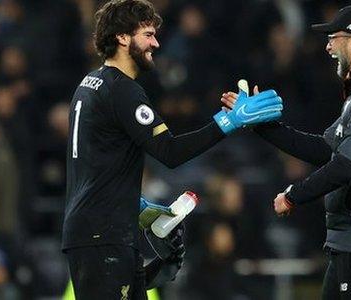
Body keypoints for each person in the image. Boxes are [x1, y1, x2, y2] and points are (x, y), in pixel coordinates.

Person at [62, 0, 283, 299]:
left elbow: (96, 162)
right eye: (148, 34)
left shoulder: (88, 84)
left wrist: (137, 206)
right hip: (105, 237)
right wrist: (228, 122)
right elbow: (170, 151)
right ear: (123, 38)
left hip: (94, 230)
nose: (155, 43)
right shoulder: (123, 90)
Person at [222, 4, 351, 299]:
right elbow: (324, 149)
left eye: (333, 38)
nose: (327, 46)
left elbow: (347, 164)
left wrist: (294, 195)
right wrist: (261, 126)